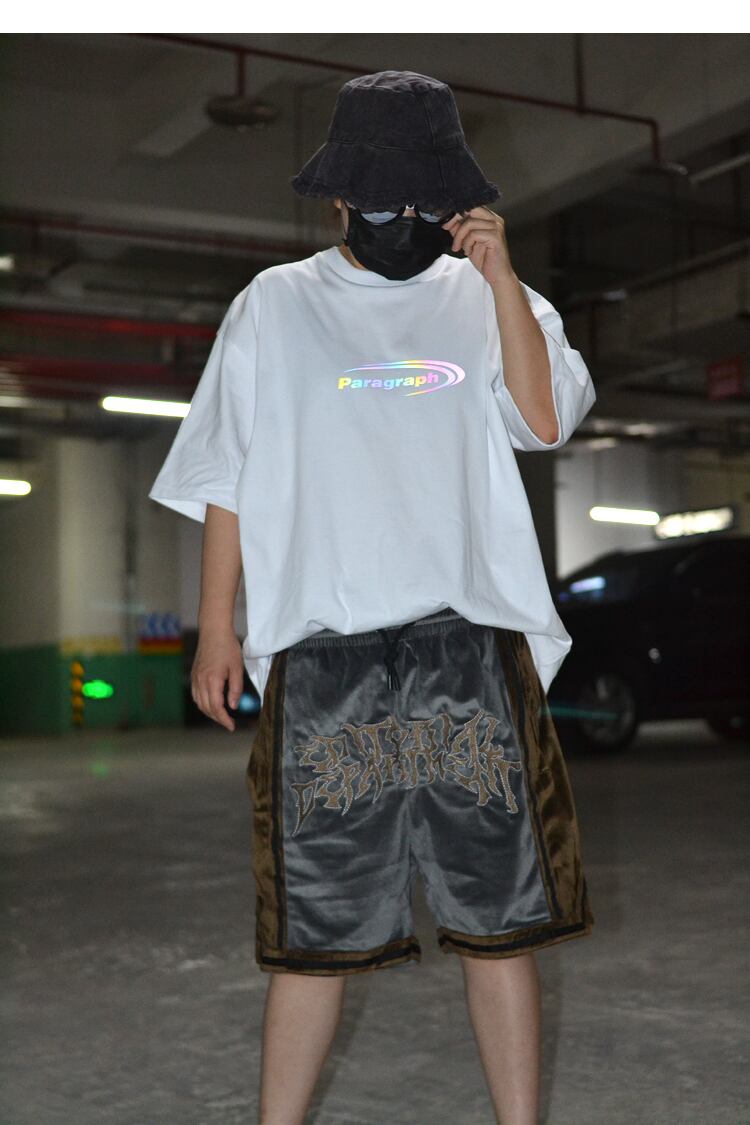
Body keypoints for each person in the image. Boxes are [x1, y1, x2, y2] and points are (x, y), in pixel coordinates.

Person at [149, 69, 596, 1125]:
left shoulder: (491, 298)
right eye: (380, 196)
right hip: (326, 656)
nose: (401, 217)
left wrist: (499, 277)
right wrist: (218, 630)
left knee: (500, 923)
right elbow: (226, 474)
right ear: (340, 195)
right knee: (316, 932)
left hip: (468, 650)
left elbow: (543, 422)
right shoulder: (275, 305)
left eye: (421, 197)